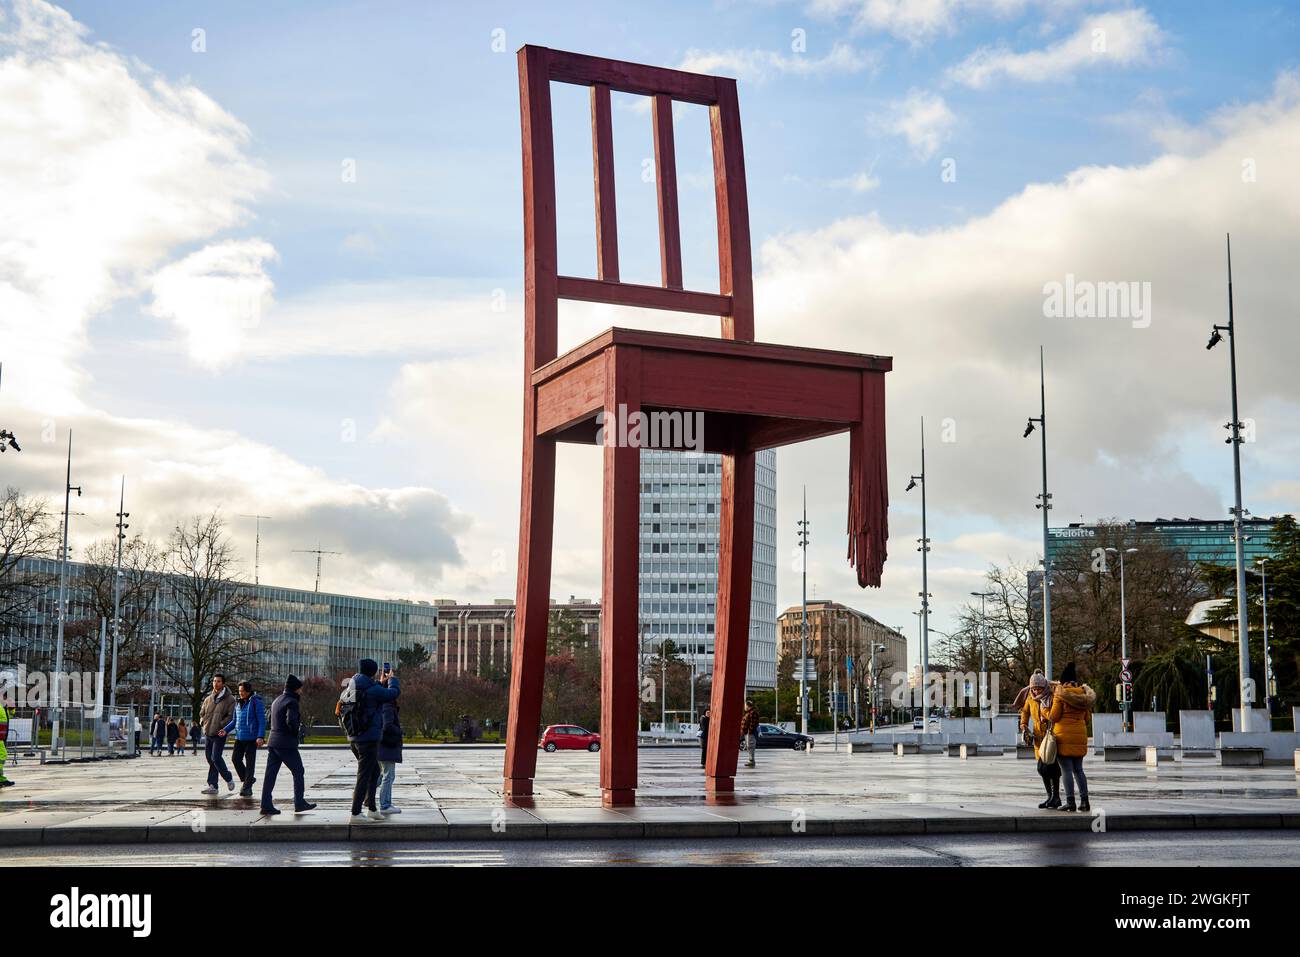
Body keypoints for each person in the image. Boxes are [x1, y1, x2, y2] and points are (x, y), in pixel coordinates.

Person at [339, 659, 400, 823]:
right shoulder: (372, 690)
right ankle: (356, 812)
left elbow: (372, 694)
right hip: (369, 739)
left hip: (354, 737)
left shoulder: (352, 686)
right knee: (364, 775)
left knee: (374, 772)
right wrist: (392, 679)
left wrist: (380, 683)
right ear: (373, 672)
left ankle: (372, 808)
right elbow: (392, 694)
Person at [260, 675, 317, 816]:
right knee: (298, 771)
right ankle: (299, 802)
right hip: (285, 743)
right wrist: (295, 731)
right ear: (295, 688)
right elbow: (291, 721)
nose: (301, 691)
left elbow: (269, 719)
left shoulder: (277, 700)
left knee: (270, 775)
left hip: (273, 741)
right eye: (300, 688)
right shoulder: (292, 702)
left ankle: (265, 804)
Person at [1047, 662, 1096, 812]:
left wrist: (1045, 713)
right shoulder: (1084, 695)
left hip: (1064, 737)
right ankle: (1085, 801)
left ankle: (1070, 802)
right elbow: (1087, 718)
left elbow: (1054, 716)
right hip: (1080, 736)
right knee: (1079, 770)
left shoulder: (1060, 694)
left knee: (1066, 770)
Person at [1019, 671, 1060, 809]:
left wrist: (1046, 717)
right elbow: (1025, 711)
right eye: (1034, 689)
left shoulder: (1052, 696)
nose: (1036, 691)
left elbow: (1055, 714)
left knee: (1050, 768)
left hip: (1050, 736)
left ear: (1045, 687)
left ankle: (1055, 797)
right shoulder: (1030, 698)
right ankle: (1051, 796)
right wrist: (1024, 725)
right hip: (1038, 737)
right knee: (1043, 769)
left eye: (1039, 688)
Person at [224, 681, 266, 798]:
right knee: (235, 759)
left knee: (250, 763)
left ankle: (247, 787)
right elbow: (234, 721)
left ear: (248, 691)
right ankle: (249, 779)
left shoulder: (256, 702)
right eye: (239, 691)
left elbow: (262, 721)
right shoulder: (238, 703)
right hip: (240, 737)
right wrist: (225, 730)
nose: (240, 693)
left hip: (252, 738)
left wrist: (260, 736)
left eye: (242, 691)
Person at [198, 674, 236, 795]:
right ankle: (213, 785)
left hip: (219, 733)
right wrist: (203, 722)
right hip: (208, 732)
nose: (215, 683)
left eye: (218, 681)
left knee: (216, 757)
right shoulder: (208, 698)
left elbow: (230, 716)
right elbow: (202, 713)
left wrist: (221, 725)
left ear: (223, 683)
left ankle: (228, 778)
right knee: (210, 759)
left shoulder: (230, 699)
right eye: (214, 681)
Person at [377, 671, 404, 815]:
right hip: (387, 746)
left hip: (381, 746)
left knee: (381, 775)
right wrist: (399, 731)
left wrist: (384, 682)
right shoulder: (388, 705)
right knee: (388, 776)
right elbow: (387, 726)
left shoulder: (381, 701)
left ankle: (364, 796)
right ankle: (385, 805)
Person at [740, 699, 760, 768]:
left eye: (745, 705)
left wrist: (749, 732)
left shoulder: (752, 713)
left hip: (750, 733)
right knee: (748, 747)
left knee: (750, 746)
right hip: (747, 733)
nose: (744, 707)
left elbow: (752, 723)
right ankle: (750, 760)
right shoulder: (748, 713)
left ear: (748, 706)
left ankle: (751, 761)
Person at [0, 701, 13, 787]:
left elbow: (9, 717)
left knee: (2, 755)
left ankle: (1, 778)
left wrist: (11, 708)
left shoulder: (2, 707)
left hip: (2, 737)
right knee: (2, 755)